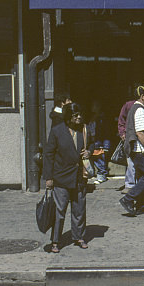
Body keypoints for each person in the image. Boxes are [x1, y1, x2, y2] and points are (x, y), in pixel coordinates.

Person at [44, 102, 92, 252]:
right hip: (61, 177)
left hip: (79, 177)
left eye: (79, 114)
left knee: (79, 209)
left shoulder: (84, 130)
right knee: (60, 210)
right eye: (75, 115)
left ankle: (79, 237)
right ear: (68, 117)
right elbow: (49, 154)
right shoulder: (57, 131)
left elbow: (92, 144)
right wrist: (49, 177)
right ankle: (56, 241)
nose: (79, 117)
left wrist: (89, 151)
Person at [120, 85, 144, 217]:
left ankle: (141, 204)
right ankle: (128, 198)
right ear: (142, 97)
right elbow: (140, 132)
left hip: (139, 150)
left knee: (142, 176)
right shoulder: (139, 111)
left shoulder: (138, 109)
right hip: (140, 150)